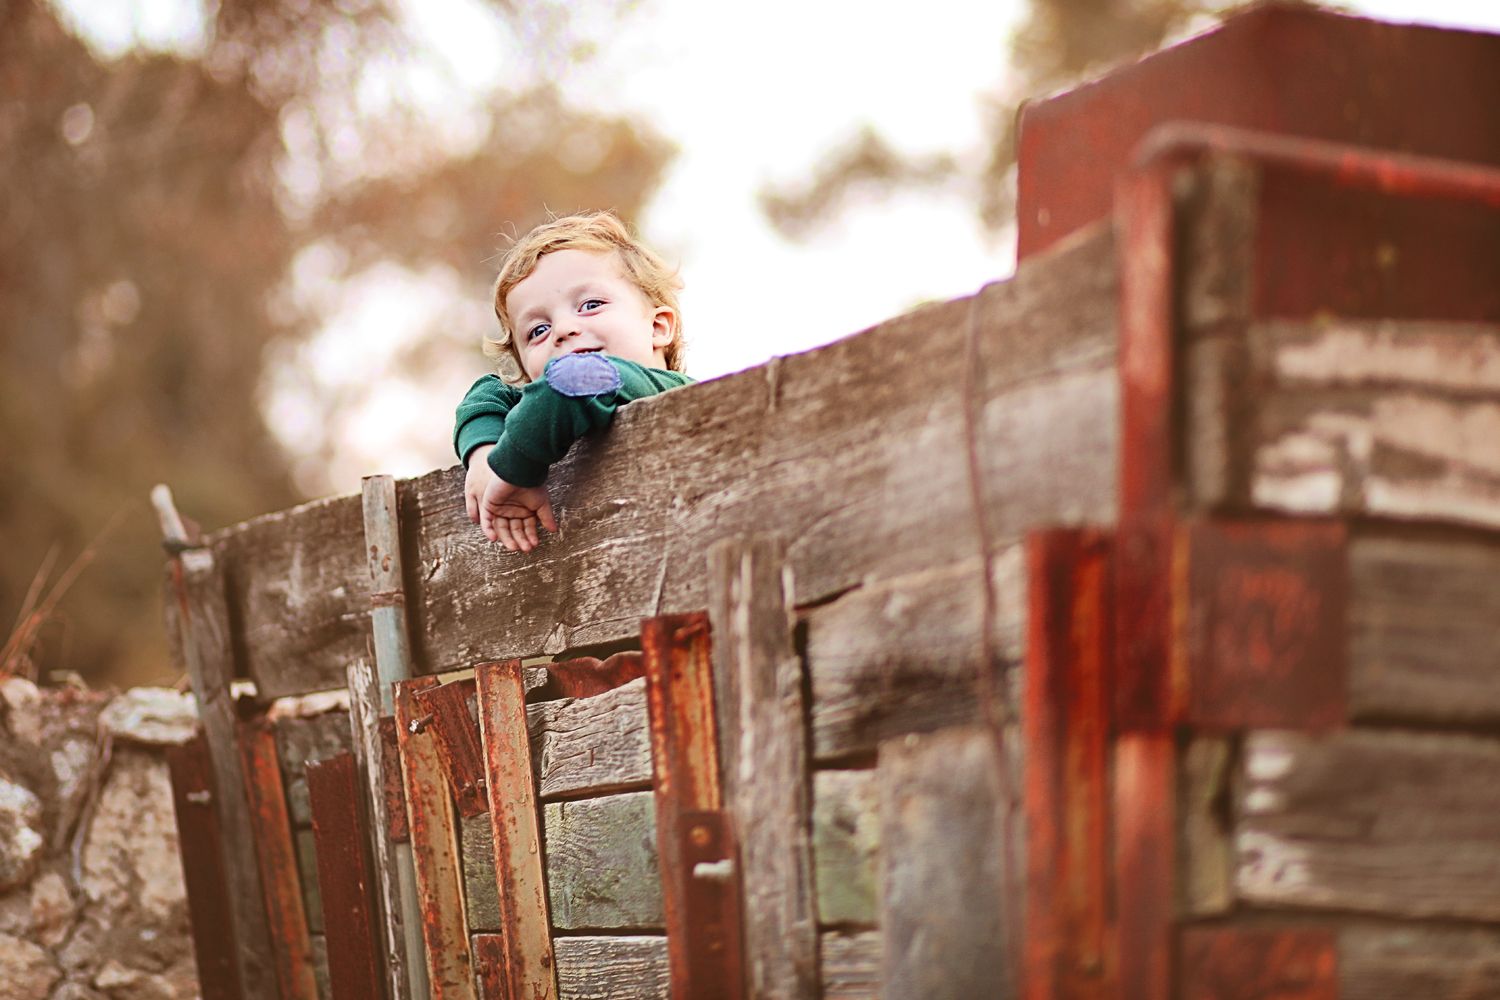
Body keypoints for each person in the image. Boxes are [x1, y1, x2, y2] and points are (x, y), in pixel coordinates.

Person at [452, 212, 694, 552]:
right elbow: (488, 392)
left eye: (590, 305)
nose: (563, 329)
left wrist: (513, 469)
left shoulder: (673, 392)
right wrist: (483, 457)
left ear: (657, 327)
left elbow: (574, 381)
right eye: (538, 330)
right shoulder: (552, 414)